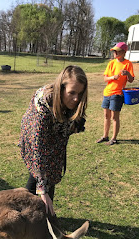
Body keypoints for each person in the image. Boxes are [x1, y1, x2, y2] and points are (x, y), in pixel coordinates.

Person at [19, 65, 88, 216]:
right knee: (41, 175)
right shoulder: (43, 111)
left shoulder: (70, 102)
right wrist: (43, 191)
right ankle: (31, 215)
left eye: (80, 93)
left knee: (47, 174)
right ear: (61, 88)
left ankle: (38, 211)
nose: (76, 99)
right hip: (34, 139)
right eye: (72, 93)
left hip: (54, 137)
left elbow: (72, 122)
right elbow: (38, 152)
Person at [96, 42, 135, 145]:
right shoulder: (111, 63)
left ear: (123, 52)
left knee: (114, 117)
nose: (115, 53)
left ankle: (113, 138)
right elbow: (105, 78)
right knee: (106, 116)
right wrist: (113, 77)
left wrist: (127, 74)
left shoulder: (128, 64)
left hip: (117, 94)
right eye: (114, 51)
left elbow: (131, 80)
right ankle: (105, 136)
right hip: (107, 92)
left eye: (117, 51)